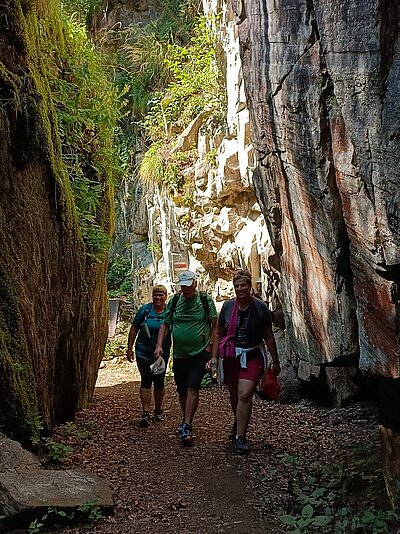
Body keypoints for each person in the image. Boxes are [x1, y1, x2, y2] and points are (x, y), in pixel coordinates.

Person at [210, 269, 280, 455]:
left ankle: (241, 437)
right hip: (231, 356)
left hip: (252, 354)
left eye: (243, 285)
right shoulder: (228, 306)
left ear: (250, 286)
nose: (240, 289)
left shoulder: (259, 308)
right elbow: (219, 332)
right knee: (234, 394)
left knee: (244, 394)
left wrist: (275, 360)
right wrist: (215, 357)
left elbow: (268, 335)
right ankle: (238, 421)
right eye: (237, 286)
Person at [155, 270, 218, 446]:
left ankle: (187, 424)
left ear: (195, 284)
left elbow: (215, 325)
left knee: (192, 387)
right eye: (183, 286)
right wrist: (159, 345)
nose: (186, 289)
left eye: (188, 285)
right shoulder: (175, 301)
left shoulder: (205, 300)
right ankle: (185, 419)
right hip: (180, 354)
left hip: (199, 353)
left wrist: (211, 348)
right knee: (182, 389)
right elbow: (165, 325)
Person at [127, 285, 171, 428]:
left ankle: (158, 409)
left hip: (162, 353)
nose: (158, 298)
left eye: (161, 295)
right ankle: (145, 412)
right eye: (155, 295)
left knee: (159, 381)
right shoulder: (145, 310)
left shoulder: (169, 312)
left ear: (165, 296)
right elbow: (134, 329)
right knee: (145, 380)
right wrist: (129, 348)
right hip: (143, 351)